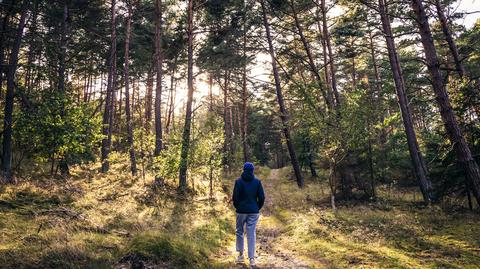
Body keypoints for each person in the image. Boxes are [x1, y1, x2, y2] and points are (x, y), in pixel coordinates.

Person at [232, 162, 265, 267]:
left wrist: (238, 207)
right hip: (253, 212)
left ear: (243, 170)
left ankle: (241, 255)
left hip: (241, 211)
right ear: (253, 170)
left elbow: (235, 198)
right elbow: (262, 198)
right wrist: (256, 207)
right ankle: (251, 259)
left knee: (239, 231)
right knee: (251, 234)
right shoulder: (257, 182)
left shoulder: (238, 182)